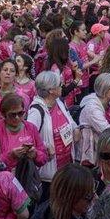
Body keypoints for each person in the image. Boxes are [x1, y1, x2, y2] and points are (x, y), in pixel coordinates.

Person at [27, 71, 77, 202]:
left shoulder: (59, 102)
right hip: (48, 176)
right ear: (51, 91)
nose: (63, 86)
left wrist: (75, 128)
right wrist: (44, 147)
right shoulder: (36, 112)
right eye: (60, 85)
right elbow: (28, 140)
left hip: (65, 168)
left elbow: (69, 119)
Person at [0, 93, 48, 173]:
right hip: (4, 179)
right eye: (12, 115)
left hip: (28, 178)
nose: (17, 117)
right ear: (3, 114)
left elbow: (44, 158)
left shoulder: (31, 128)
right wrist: (11, 156)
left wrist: (35, 154)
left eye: (20, 113)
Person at [78, 73, 110, 167]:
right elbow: (108, 133)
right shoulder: (92, 108)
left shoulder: (108, 102)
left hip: (101, 149)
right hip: (91, 154)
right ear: (105, 91)